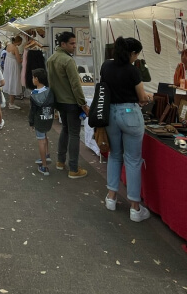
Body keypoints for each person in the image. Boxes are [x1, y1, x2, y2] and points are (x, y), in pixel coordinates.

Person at [101, 36, 154, 222]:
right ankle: (135, 207)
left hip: (110, 114)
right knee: (132, 160)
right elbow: (141, 97)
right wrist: (148, 97)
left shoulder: (106, 66)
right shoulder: (133, 71)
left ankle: (111, 197)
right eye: (136, 54)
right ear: (132, 53)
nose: (136, 57)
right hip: (130, 113)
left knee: (115, 155)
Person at [47, 31, 89, 179]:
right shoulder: (68, 60)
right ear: (63, 44)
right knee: (74, 133)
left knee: (65, 130)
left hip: (59, 101)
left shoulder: (51, 59)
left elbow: (51, 82)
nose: (74, 46)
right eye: (72, 43)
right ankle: (73, 168)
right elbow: (75, 85)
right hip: (70, 102)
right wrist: (83, 104)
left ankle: (60, 161)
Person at [28, 68, 55, 176]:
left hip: (39, 119)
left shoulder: (34, 94)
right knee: (45, 137)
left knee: (41, 140)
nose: (32, 79)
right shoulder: (49, 91)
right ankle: (47, 155)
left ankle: (44, 166)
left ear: (37, 79)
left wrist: (31, 122)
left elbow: (32, 111)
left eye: (33, 77)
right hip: (48, 118)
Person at [3, 36, 23, 110]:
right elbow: (18, 60)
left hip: (8, 66)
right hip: (13, 67)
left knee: (10, 81)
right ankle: (11, 103)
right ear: (19, 41)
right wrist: (24, 59)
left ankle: (11, 102)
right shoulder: (15, 48)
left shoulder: (8, 46)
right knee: (13, 82)